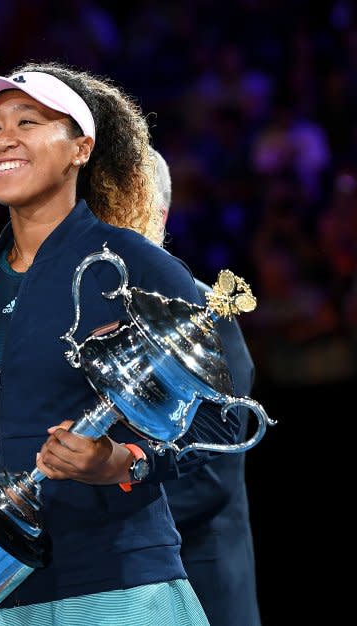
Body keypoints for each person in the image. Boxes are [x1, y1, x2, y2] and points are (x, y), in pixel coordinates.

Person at [0, 61, 240, 625]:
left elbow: (223, 424)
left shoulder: (135, 263)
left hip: (123, 586)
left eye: (28, 121)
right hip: (9, 594)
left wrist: (123, 462)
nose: (4, 139)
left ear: (81, 148)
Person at [153, 147, 262, 626]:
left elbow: (212, 473)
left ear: (156, 212)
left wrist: (100, 513)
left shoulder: (201, 308)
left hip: (201, 582)